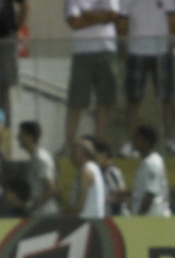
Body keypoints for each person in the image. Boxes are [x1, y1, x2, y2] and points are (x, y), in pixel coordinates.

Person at [116, 0, 175, 158]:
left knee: (166, 98)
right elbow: (122, 22)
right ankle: (131, 142)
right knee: (133, 99)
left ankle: (170, 140)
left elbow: (172, 18)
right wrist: (123, 46)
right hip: (136, 50)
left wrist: (170, 44)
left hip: (161, 50)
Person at [64, 0, 120, 151]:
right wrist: (100, 18)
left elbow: (112, 15)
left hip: (106, 48)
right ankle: (69, 144)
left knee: (104, 100)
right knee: (76, 100)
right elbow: (74, 22)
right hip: (82, 51)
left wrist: (87, 15)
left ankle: (98, 144)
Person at [0, 0, 30, 124]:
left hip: (5, 38)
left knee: (6, 84)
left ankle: (3, 125)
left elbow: (24, 4)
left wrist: (18, 29)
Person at [16, 121, 60, 217]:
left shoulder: (40, 159)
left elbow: (51, 189)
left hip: (45, 214)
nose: (18, 138)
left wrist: (29, 204)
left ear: (30, 137)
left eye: (21, 135)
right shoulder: (37, 156)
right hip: (40, 213)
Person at [130, 126, 172, 216]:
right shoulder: (145, 162)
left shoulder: (152, 163)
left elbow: (150, 193)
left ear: (147, 141)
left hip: (154, 218)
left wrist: (138, 218)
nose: (134, 141)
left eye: (137, 138)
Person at [68, 138, 106, 219]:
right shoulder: (95, 168)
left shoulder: (85, 172)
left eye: (73, 152)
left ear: (80, 155)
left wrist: (64, 214)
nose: (70, 156)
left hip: (86, 222)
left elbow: (80, 205)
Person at [92, 138, 130, 216]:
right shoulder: (100, 173)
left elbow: (120, 193)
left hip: (117, 217)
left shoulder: (111, 172)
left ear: (104, 154)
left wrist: (107, 199)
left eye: (95, 157)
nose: (94, 161)